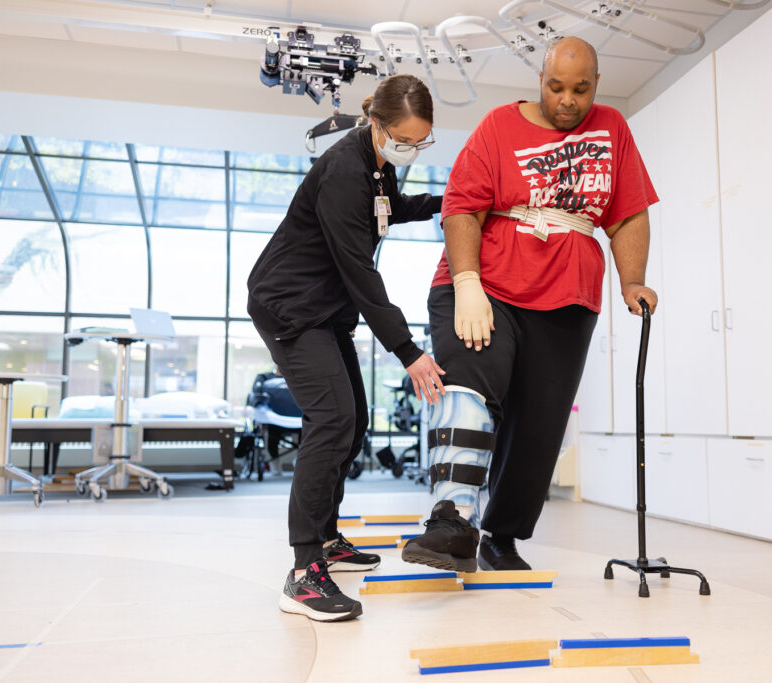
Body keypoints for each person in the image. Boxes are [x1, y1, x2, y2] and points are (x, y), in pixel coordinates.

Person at [402, 37, 659, 573]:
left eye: (580, 89)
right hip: (484, 284)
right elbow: (460, 208)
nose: (567, 100)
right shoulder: (499, 126)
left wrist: (632, 280)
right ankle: (451, 521)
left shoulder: (612, 129)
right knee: (470, 391)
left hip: (567, 294)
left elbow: (627, 213)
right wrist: (468, 283)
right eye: (556, 86)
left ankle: (501, 535)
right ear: (539, 79)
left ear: (596, 85)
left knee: (540, 424)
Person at [247, 73, 446, 622]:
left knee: (353, 420)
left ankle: (328, 538)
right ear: (377, 124)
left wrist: (442, 202)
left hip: (326, 309)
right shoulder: (343, 170)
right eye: (404, 139)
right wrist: (408, 351)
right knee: (331, 419)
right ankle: (304, 571)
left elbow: (389, 208)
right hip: (290, 305)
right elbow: (360, 272)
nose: (410, 149)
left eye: (421, 142)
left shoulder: (376, 165)